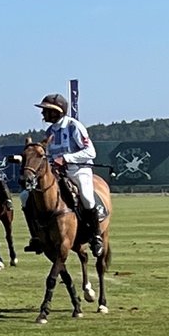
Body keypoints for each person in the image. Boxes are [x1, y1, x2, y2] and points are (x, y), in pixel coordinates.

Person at [38, 93, 103, 254]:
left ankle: (96, 236)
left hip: (78, 169)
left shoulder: (74, 126)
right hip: (57, 173)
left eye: (46, 110)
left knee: (87, 198)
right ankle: (38, 236)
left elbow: (90, 151)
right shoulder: (49, 132)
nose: (42, 114)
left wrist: (66, 158)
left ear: (57, 111)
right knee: (30, 196)